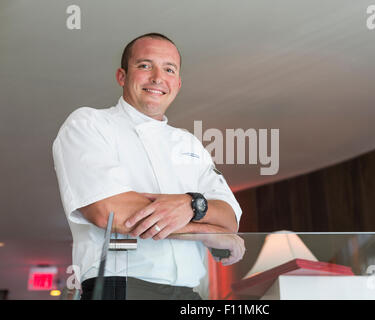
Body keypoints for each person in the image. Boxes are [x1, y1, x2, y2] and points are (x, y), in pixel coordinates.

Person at [52, 33, 245, 300]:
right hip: (119, 288)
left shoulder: (189, 143)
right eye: (144, 65)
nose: (157, 77)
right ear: (122, 76)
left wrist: (190, 205)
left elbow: (229, 218)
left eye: (169, 69)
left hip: (189, 295)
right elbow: (109, 213)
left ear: (177, 84)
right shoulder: (88, 124)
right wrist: (208, 231)